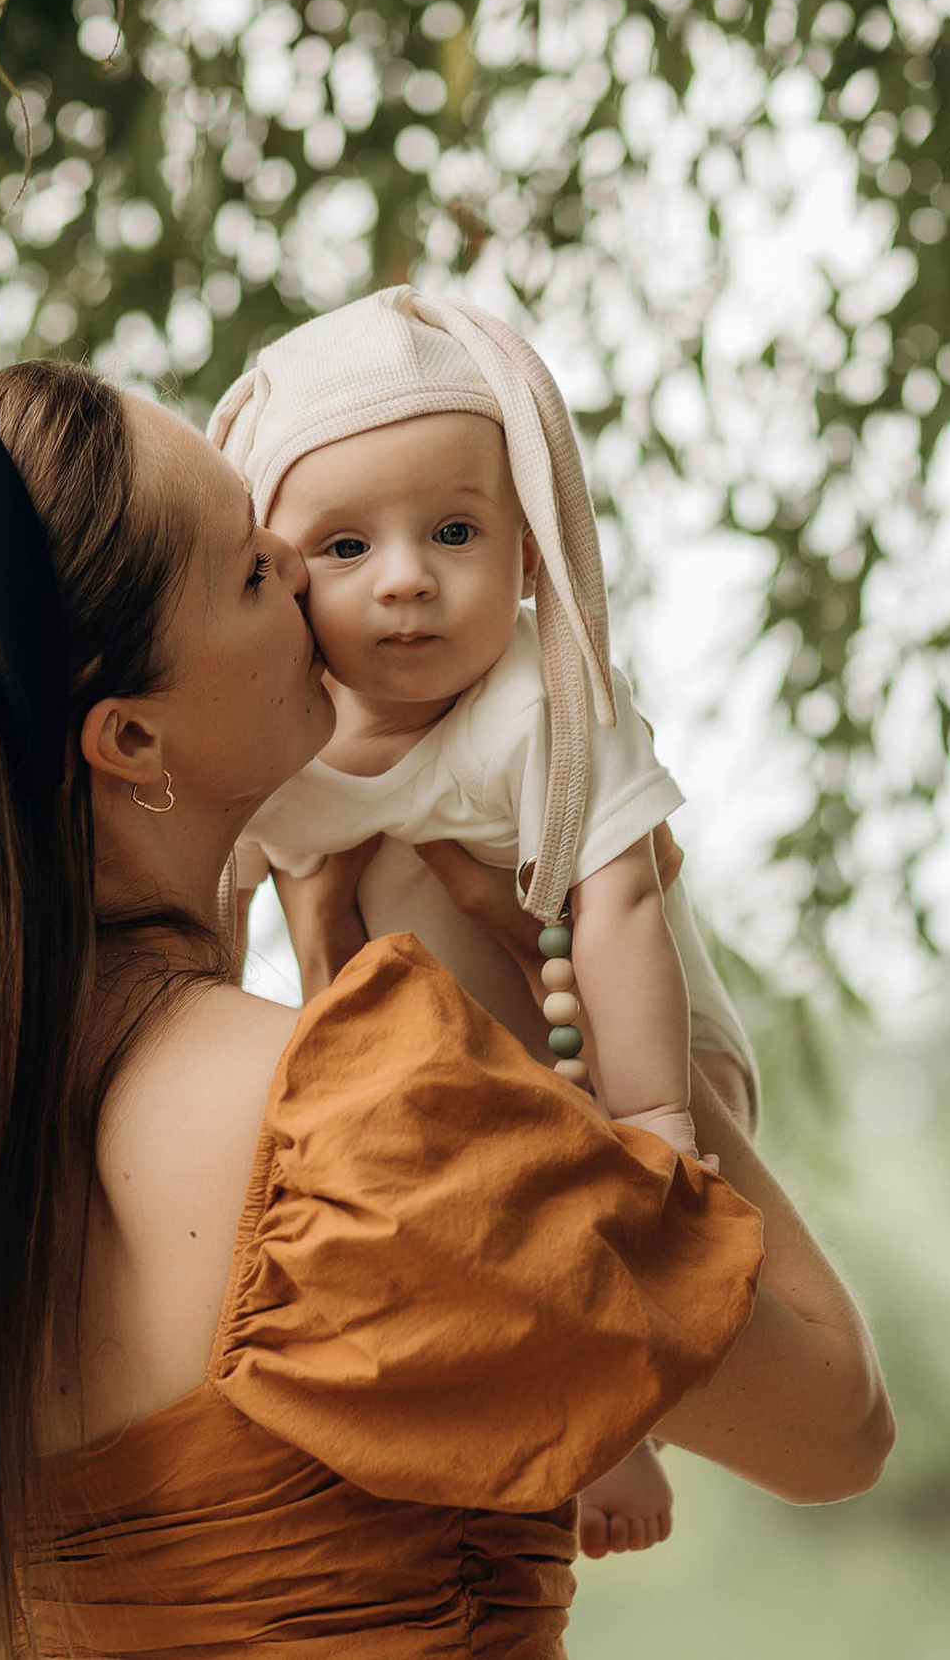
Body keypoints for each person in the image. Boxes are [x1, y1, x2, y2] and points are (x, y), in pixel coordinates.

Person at [0, 360, 891, 1660]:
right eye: (250, 568)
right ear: (130, 740)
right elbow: (836, 1422)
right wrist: (623, 1041)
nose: (307, 570)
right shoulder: (356, 1112)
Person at [212, 285, 756, 1546]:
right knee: (439, 1210)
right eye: (346, 549)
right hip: (472, 1078)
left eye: (453, 531)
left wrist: (657, 1135)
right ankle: (542, 1425)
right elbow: (224, 919)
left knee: (578, 1208)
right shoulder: (274, 739)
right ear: (278, 577)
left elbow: (620, 902)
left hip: (639, 1044)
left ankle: (621, 1421)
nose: (406, 580)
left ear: (527, 552)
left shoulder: (542, 700)